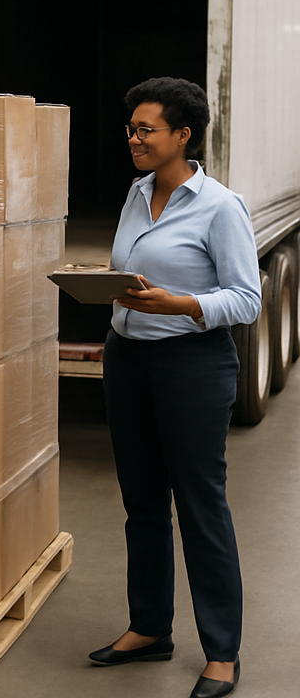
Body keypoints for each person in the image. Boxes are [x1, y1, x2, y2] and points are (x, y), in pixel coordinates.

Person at [88, 77, 261, 698]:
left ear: (182, 135)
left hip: (192, 364)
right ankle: (149, 627)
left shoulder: (220, 206)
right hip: (128, 358)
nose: (132, 138)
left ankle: (221, 652)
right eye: (131, 128)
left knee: (200, 504)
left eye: (145, 130)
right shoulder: (137, 194)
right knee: (141, 502)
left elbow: (246, 299)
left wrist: (181, 304)